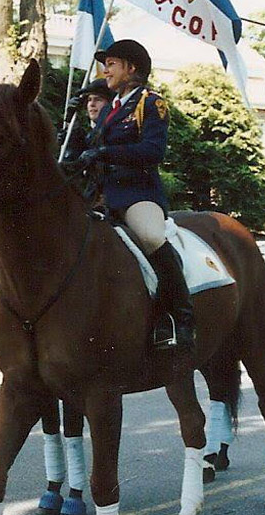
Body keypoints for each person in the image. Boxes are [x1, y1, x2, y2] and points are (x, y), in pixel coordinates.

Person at [69, 38, 193, 352]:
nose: (105, 70)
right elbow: (83, 153)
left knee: (151, 237)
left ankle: (179, 315)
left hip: (137, 193)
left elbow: (152, 151)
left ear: (131, 67)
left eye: (111, 64)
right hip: (100, 196)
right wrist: (70, 127)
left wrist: (106, 152)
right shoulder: (110, 109)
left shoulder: (151, 102)